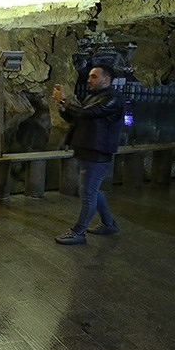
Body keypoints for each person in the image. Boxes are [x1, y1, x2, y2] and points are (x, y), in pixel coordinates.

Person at [53, 64, 125, 245]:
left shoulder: (112, 99)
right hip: (87, 150)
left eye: (94, 77)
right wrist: (62, 107)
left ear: (106, 79)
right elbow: (78, 118)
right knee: (93, 191)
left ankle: (78, 232)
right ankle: (109, 224)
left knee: (87, 194)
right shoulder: (94, 97)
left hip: (97, 153)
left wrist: (64, 102)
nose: (89, 80)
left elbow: (88, 113)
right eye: (90, 76)